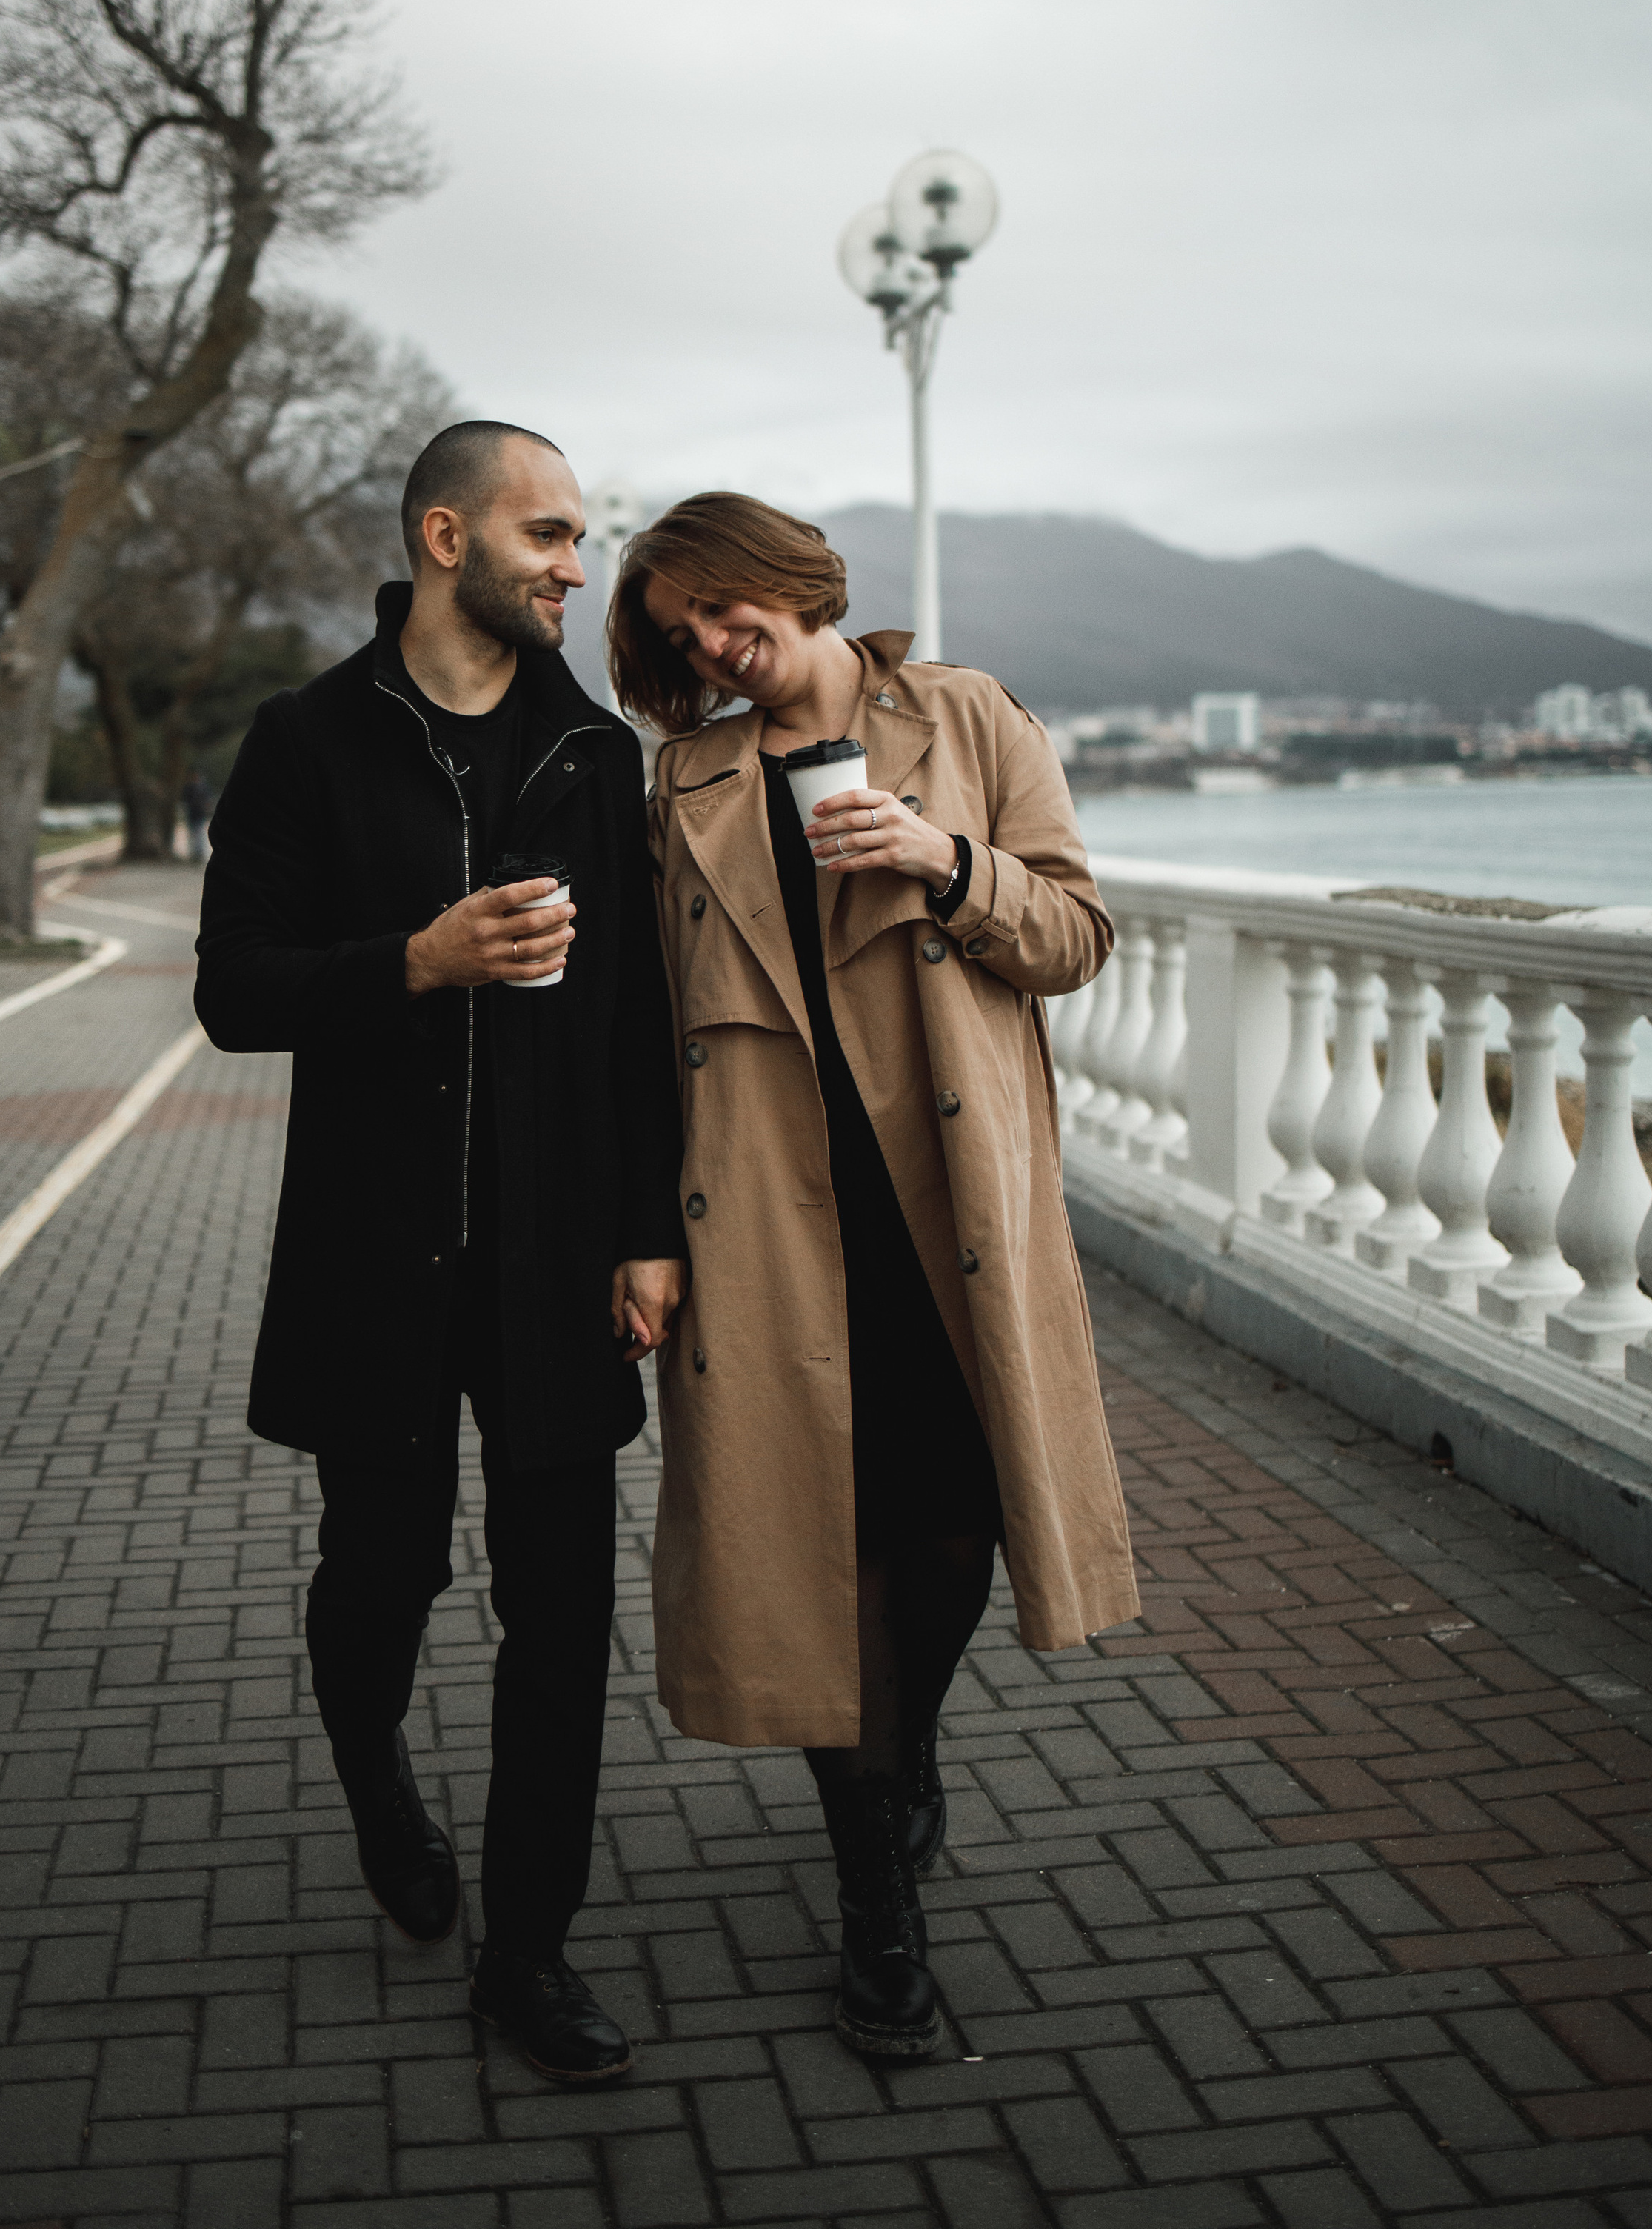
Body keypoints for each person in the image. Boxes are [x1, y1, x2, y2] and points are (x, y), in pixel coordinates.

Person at [608, 492, 1137, 2061]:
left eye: (716, 607)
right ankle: (875, 1921)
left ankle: (907, 1756)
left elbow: (1075, 935)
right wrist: (639, 1232)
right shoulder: (682, 779)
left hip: (947, 1209)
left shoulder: (963, 717)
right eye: (677, 634)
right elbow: (642, 1028)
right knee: (810, 1551)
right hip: (765, 1220)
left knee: (951, 1527)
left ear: (788, 582)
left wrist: (941, 859)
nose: (709, 644)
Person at [194, 423, 685, 2085]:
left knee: (559, 1614)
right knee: (380, 1581)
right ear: (444, 535)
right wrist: (410, 960)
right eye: (549, 531)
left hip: (554, 1266)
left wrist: (644, 1236)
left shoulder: (591, 756)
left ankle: (528, 1953)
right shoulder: (307, 743)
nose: (575, 562)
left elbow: (632, 1024)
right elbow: (232, 989)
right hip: (373, 1255)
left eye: (580, 536)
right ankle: (377, 1785)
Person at [181, 769, 213, 863]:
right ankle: (193, 853)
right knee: (192, 834)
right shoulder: (189, 787)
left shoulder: (203, 788)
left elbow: (207, 800)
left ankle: (199, 853)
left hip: (199, 813)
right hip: (192, 813)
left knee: (199, 834)